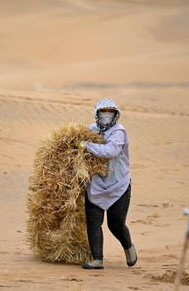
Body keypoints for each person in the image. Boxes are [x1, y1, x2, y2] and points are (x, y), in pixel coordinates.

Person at [77, 97, 137, 269]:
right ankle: (97, 259)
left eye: (110, 112)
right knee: (93, 221)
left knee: (115, 224)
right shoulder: (91, 129)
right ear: (97, 113)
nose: (106, 115)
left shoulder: (119, 132)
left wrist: (86, 146)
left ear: (116, 114)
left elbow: (110, 151)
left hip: (118, 184)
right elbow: (78, 142)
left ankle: (128, 247)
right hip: (95, 184)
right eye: (103, 111)